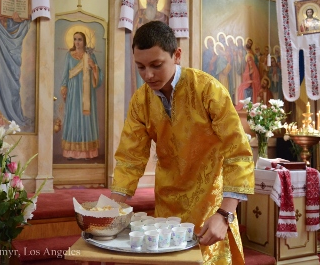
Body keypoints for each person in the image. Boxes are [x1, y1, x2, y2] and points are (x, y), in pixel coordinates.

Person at [110, 21, 254, 264]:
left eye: (156, 65)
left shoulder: (208, 90)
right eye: (140, 67)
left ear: (176, 55)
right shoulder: (140, 100)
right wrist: (110, 210)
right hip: (167, 206)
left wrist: (224, 213)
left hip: (209, 204)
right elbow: (129, 157)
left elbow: (238, 152)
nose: (148, 75)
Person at [59, 32, 103, 160]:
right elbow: (65, 73)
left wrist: (93, 66)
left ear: (84, 41)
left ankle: (87, 152)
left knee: (86, 118)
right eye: (75, 39)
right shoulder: (69, 55)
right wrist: (64, 86)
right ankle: (71, 152)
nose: (77, 42)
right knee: (73, 117)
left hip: (87, 93)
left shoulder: (90, 55)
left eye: (79, 39)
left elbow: (99, 77)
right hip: (73, 91)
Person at [235, 39, 261, 111]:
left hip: (253, 86)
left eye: (250, 61)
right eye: (248, 61)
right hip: (247, 84)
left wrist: (252, 82)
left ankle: (250, 105)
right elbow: (245, 77)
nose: (249, 62)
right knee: (240, 88)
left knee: (246, 90)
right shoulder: (247, 68)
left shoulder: (255, 69)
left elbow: (256, 80)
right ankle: (245, 105)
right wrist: (249, 76)